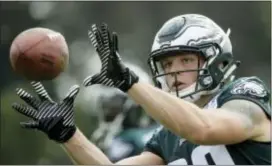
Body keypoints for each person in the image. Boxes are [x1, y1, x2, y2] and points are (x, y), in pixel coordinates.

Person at [12, 14, 271, 165]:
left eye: (186, 60)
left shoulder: (245, 95)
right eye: (167, 63)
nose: (174, 71)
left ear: (218, 61)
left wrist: (129, 82)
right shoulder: (167, 136)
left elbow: (203, 129)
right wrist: (68, 134)